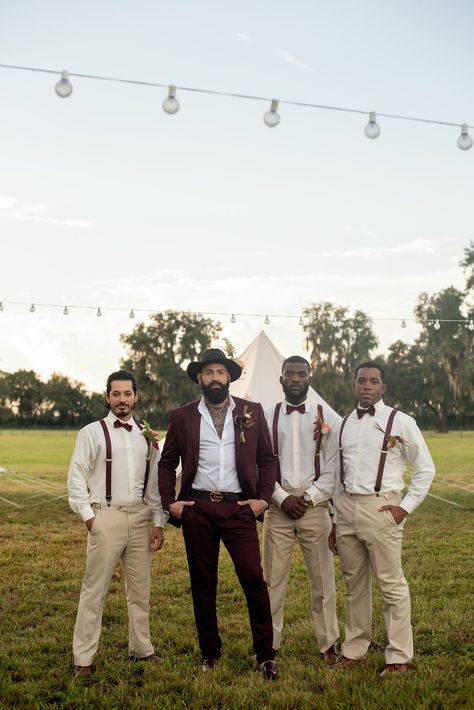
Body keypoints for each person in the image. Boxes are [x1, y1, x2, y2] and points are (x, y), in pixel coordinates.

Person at [158, 348, 278, 679]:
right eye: (208, 372)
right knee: (203, 583)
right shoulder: (181, 416)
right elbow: (167, 463)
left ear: (229, 377)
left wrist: (263, 500)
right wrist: (171, 502)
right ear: (200, 377)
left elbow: (267, 459)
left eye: (220, 372)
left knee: (253, 577)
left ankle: (265, 654)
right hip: (197, 508)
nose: (215, 378)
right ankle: (210, 652)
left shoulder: (251, 411)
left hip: (239, 508)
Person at [329, 361, 435, 676]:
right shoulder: (344, 423)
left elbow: (425, 469)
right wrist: (335, 519)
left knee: (391, 584)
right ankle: (355, 648)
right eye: (361, 381)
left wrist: (406, 506)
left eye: (373, 381)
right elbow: (338, 474)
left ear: (382, 387)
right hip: (346, 509)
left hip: (382, 508)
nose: (367, 386)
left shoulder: (401, 422)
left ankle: (399, 656)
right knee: (354, 585)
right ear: (354, 385)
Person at [67, 369, 164, 677]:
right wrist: (89, 518)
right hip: (104, 516)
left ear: (136, 397)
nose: (122, 399)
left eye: (127, 393)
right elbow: (76, 478)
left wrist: (158, 522)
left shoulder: (147, 436)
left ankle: (142, 649)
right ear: (107, 397)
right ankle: (83, 658)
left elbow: (154, 486)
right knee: (94, 590)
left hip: (139, 517)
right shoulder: (91, 432)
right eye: (116, 394)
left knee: (140, 590)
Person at [263, 356, 340, 664]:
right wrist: (282, 498)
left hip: (315, 507)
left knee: (323, 580)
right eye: (289, 374)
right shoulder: (267, 416)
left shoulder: (327, 417)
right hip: (277, 507)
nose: (295, 378)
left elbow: (333, 466)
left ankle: (328, 644)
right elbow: (260, 467)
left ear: (310, 378)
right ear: (281, 379)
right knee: (272, 580)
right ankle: (269, 644)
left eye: (301, 374)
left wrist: (307, 497)